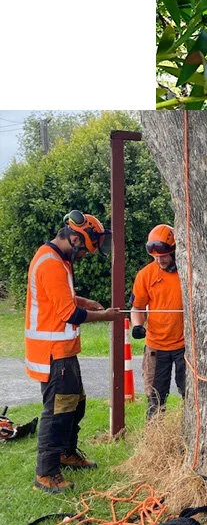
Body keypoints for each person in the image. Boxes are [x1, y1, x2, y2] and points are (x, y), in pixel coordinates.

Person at [25, 210, 122, 493]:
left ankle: (66, 453)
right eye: (83, 252)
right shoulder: (52, 263)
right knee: (57, 413)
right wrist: (105, 316)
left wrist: (84, 299)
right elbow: (68, 313)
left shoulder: (56, 258)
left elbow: (58, 297)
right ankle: (46, 473)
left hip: (64, 351)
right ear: (74, 238)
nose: (82, 257)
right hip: (54, 353)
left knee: (75, 405)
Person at [130, 224, 185, 421]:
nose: (159, 260)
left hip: (184, 345)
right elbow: (137, 307)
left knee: (190, 392)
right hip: (156, 346)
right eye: (155, 256)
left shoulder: (186, 273)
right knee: (155, 397)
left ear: (174, 251)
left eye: (164, 255)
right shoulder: (146, 275)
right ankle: (154, 436)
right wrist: (138, 325)